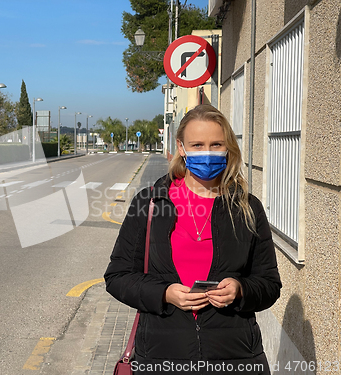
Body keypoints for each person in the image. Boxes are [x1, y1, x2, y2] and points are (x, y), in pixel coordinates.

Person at [104, 105, 281, 375]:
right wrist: (164, 294)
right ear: (181, 147)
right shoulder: (150, 203)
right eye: (197, 145)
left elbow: (269, 284)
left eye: (216, 144)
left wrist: (240, 289)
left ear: (228, 148)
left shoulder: (247, 207)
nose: (207, 153)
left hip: (235, 358)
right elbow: (117, 276)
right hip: (161, 357)